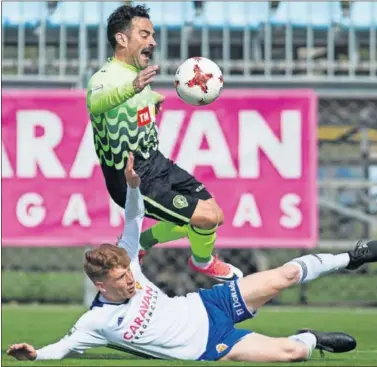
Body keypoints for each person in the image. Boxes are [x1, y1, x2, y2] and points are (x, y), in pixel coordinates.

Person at [8, 153, 377, 363]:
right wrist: (34, 354)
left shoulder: (130, 263)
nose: (130, 280)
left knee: (285, 276)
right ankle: (311, 338)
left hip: (207, 304)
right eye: (121, 280)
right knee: (293, 354)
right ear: (101, 285)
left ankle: (352, 256)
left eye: (128, 272)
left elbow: (134, 219)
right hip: (210, 345)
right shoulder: (95, 322)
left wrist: (134, 187)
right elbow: (62, 348)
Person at [86, 3, 242, 282]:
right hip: (132, 177)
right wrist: (133, 88)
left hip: (157, 163)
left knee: (214, 215)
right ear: (122, 38)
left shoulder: (138, 78)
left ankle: (143, 241)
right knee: (204, 219)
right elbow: (97, 102)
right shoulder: (106, 78)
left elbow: (133, 105)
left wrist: (151, 100)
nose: (152, 42)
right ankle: (203, 261)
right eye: (144, 34)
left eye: (152, 35)